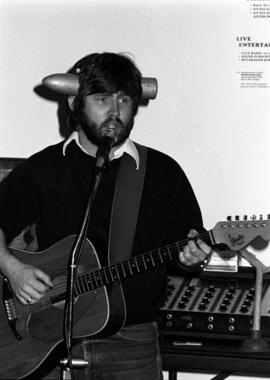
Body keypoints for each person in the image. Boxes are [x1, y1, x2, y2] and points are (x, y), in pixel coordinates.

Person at [0, 52, 212, 380]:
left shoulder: (160, 172)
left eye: (124, 99)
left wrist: (193, 255)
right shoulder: (45, 168)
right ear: (74, 102)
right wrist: (13, 269)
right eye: (102, 99)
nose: (115, 111)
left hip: (130, 341)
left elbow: (186, 251)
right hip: (44, 338)